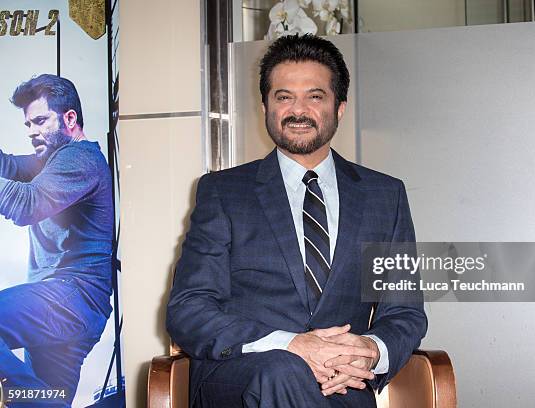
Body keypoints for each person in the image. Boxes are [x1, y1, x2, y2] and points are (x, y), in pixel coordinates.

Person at [167, 34, 427, 408]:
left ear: (339, 108)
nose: (297, 110)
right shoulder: (224, 192)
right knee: (283, 371)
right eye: (283, 96)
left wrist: (369, 349)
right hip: (243, 378)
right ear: (266, 107)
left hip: (341, 386)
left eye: (314, 96)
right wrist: (291, 345)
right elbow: (189, 308)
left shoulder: (384, 196)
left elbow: (404, 311)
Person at [0, 74, 114, 407]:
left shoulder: (80, 158)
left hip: (70, 298)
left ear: (69, 118)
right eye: (28, 124)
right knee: (39, 399)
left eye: (40, 120)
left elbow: (27, 204)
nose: (32, 131)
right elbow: (7, 165)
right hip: (70, 309)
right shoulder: (48, 162)